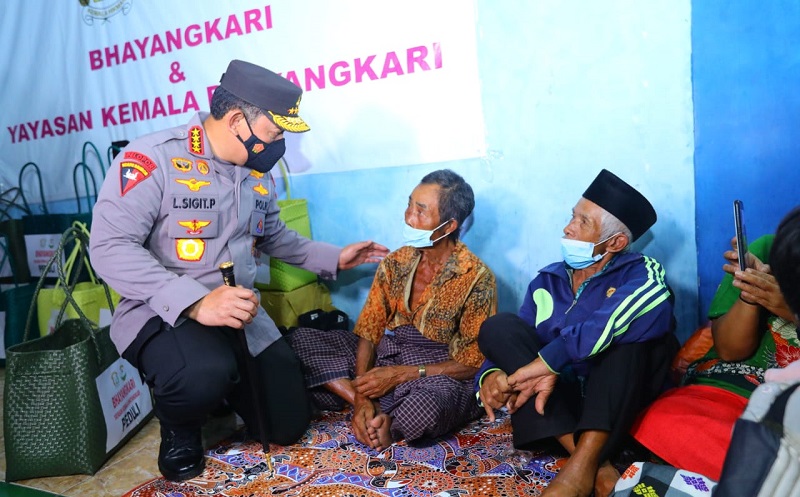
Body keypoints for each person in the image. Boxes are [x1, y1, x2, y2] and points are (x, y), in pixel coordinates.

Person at [89, 59, 389, 482]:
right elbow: (108, 248)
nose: (281, 142)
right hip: (165, 314)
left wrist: (334, 258)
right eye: (275, 132)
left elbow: (274, 237)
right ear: (236, 121)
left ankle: (223, 385)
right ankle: (181, 425)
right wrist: (195, 302)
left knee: (287, 425)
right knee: (200, 375)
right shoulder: (153, 159)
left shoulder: (255, 173)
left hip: (241, 315)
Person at [476, 169, 677, 497]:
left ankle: (583, 463)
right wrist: (492, 376)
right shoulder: (547, 280)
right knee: (498, 327)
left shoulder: (643, 273)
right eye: (572, 216)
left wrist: (549, 362)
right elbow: (519, 342)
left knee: (628, 339)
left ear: (615, 243)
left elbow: (610, 323)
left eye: (583, 222)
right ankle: (591, 463)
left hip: (616, 407)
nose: (568, 227)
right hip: (558, 410)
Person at [288, 169, 496, 451]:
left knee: (430, 405)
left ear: (448, 226)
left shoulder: (476, 277)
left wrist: (401, 375)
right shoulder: (395, 262)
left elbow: (471, 363)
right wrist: (363, 394)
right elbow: (369, 332)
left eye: (421, 211)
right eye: (409, 204)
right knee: (298, 341)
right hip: (389, 353)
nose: (409, 217)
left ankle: (390, 424)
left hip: (434, 371)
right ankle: (369, 407)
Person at [631, 220, 799, 481]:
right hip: (722, 392)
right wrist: (750, 293)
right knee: (661, 421)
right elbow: (730, 350)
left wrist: (791, 308)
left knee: (766, 462)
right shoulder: (774, 249)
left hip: (787, 416)